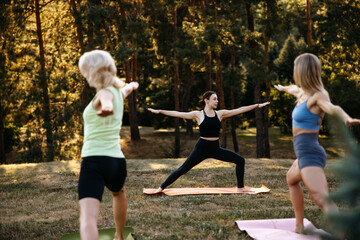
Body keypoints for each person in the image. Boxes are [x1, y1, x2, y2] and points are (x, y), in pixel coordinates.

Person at [274, 53, 360, 234]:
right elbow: (292, 89)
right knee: (291, 180)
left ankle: (342, 233)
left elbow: (332, 108)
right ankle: (299, 226)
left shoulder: (319, 96)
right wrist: (282, 88)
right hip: (303, 153)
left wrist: (346, 118)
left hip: (310, 154)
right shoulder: (303, 94)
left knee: (322, 199)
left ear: (303, 72)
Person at [148, 91, 270, 193]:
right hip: (201, 148)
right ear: (206, 100)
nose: (217, 101)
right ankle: (161, 188)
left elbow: (239, 110)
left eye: (217, 99)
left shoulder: (220, 114)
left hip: (215, 148)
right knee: (183, 169)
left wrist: (257, 105)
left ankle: (240, 188)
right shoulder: (198, 115)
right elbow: (178, 114)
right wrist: (160, 111)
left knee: (240, 160)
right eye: (214, 99)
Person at [78, 50, 139, 240]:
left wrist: (106, 108)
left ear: (95, 71)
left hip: (93, 161)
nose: (85, 76)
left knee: (88, 218)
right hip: (116, 162)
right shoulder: (117, 92)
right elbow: (125, 90)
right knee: (118, 193)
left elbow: (106, 102)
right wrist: (132, 85)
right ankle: (119, 236)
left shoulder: (105, 94)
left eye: (86, 71)